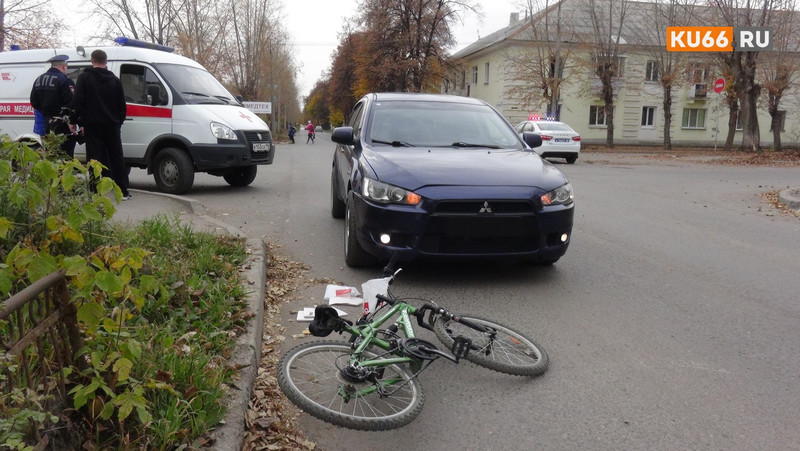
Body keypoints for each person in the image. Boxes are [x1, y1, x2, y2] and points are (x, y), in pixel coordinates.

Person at [69, 49, 131, 200]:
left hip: (92, 125)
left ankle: (95, 191)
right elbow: (122, 105)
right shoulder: (115, 80)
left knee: (94, 159)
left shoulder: (84, 78)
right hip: (112, 125)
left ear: (92, 60)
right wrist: (119, 121)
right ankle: (122, 191)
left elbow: (77, 102)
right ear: (106, 62)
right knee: (116, 157)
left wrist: (74, 121)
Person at [30, 54, 77, 157]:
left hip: (47, 124)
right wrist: (72, 122)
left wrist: (46, 111)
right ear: (64, 66)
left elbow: (34, 102)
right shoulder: (64, 80)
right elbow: (70, 103)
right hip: (63, 125)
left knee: (51, 155)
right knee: (66, 155)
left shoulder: (39, 79)